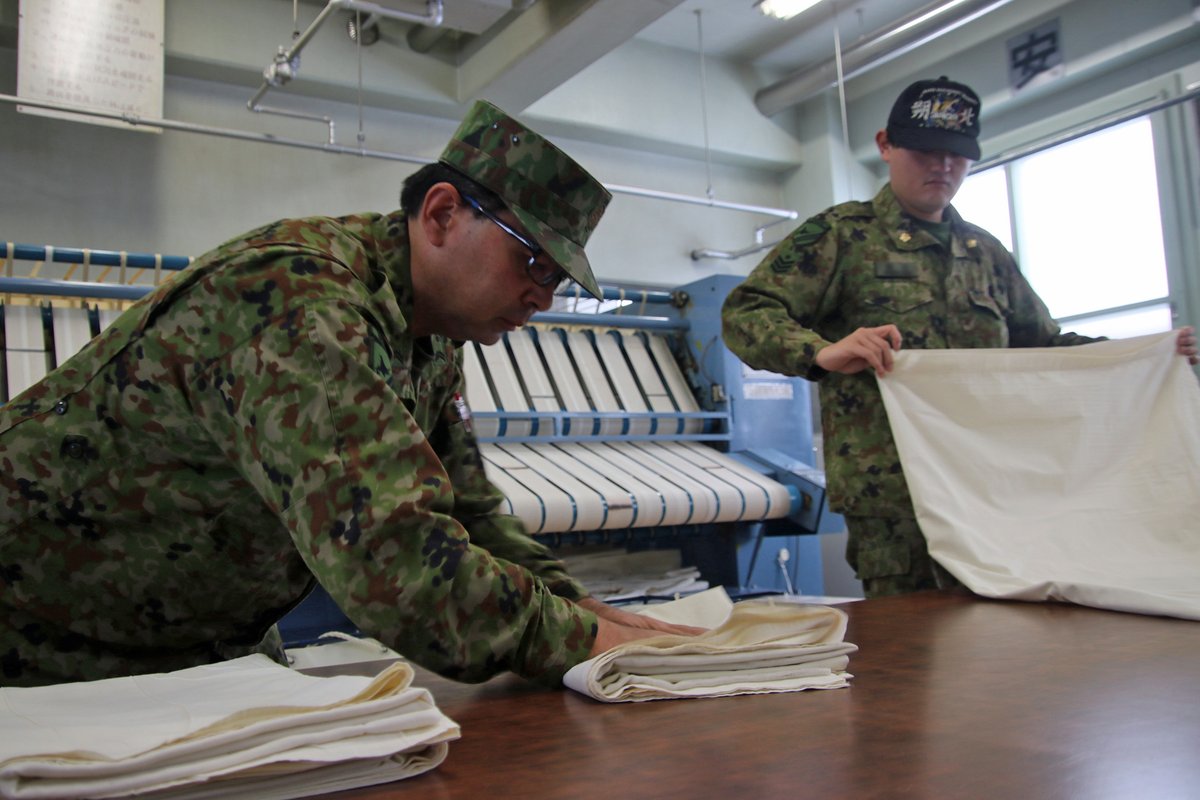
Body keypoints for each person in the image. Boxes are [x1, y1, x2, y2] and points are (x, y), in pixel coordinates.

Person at [0, 100, 701, 688]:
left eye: (557, 281)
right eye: (532, 262)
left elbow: (467, 510)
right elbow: (397, 565)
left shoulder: (429, 338)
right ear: (441, 215)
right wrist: (577, 638)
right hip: (39, 636)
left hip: (188, 646)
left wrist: (572, 601)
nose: (539, 298)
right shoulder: (299, 301)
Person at [721, 77, 1199, 598]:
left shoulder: (986, 253)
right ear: (885, 145)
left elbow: (1041, 348)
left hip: (992, 491)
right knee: (916, 658)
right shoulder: (842, 236)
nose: (942, 166)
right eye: (926, 150)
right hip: (895, 500)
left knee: (1005, 644)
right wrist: (820, 352)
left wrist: (1141, 355)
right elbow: (745, 311)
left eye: (957, 154)